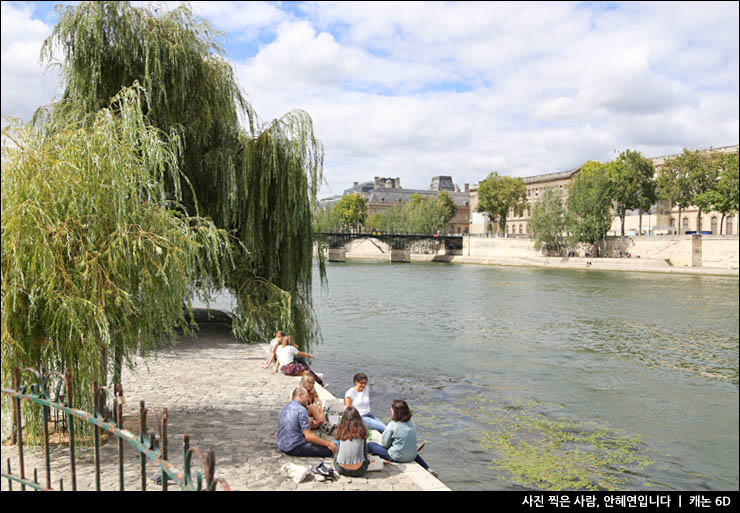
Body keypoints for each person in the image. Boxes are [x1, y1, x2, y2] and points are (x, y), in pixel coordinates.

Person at [367, 400, 437, 476]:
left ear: (395, 412)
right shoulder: (411, 422)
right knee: (411, 451)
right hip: (412, 456)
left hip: (397, 457)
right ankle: (427, 468)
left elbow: (385, 444)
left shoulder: (392, 425)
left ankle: (369, 460)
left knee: (371, 445)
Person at [277, 387, 336, 458]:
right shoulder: (301, 410)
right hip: (293, 447)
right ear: (300, 396)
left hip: (282, 444)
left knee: (318, 442)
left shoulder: (285, 407)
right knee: (328, 451)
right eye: (306, 396)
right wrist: (328, 444)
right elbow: (308, 437)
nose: (308, 399)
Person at [333, 406, 369, 477]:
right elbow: (364, 453)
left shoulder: (340, 431)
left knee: (337, 448)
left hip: (341, 469)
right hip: (359, 470)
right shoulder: (363, 431)